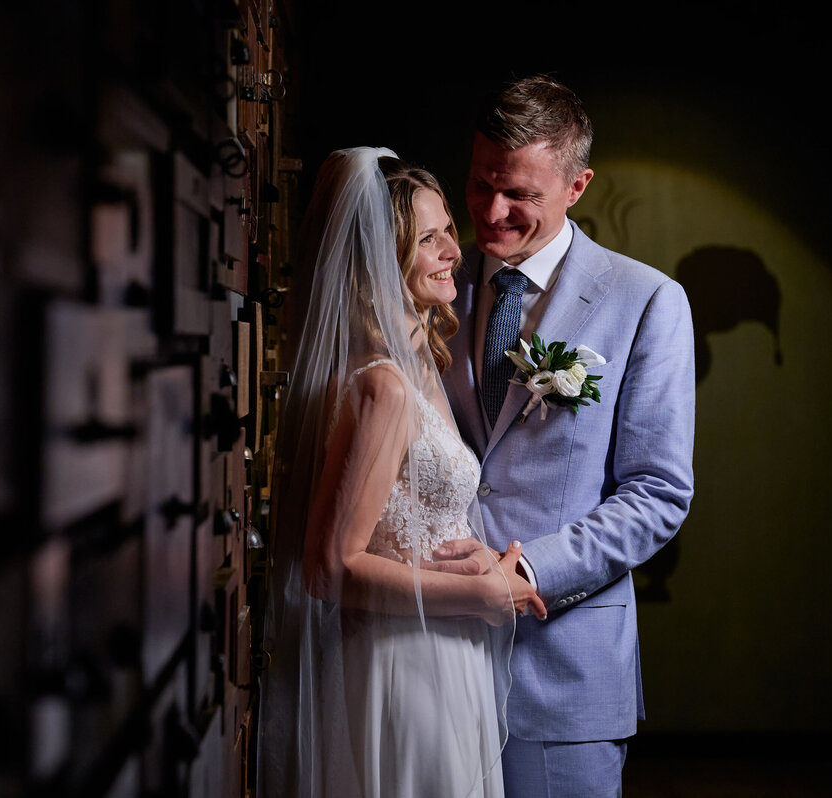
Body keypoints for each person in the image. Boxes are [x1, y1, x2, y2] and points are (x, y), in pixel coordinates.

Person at [436, 75, 696, 797]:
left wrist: (527, 574)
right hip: (429, 658)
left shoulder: (645, 302)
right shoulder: (429, 289)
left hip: (562, 667)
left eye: (520, 194)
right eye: (481, 184)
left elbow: (659, 493)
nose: (492, 211)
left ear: (577, 186)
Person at [258, 147, 545, 798]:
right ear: (381, 260)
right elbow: (330, 567)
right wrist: (485, 594)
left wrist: (480, 562)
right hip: (401, 668)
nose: (453, 250)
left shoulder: (421, 369)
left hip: (448, 655)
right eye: (429, 239)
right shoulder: (382, 388)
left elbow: (412, 521)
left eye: (450, 230)